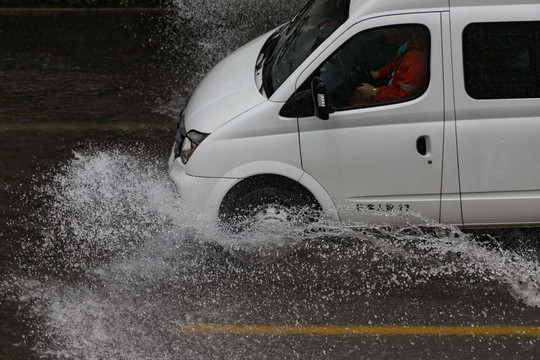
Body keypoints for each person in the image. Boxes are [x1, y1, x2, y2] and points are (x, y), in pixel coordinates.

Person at [349, 26, 429, 106]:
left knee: (356, 104)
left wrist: (374, 91)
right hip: (391, 95)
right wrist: (378, 73)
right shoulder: (408, 51)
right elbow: (396, 67)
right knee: (358, 96)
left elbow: (402, 96)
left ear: (398, 31)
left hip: (397, 105)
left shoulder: (413, 59)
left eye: (388, 29)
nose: (385, 32)